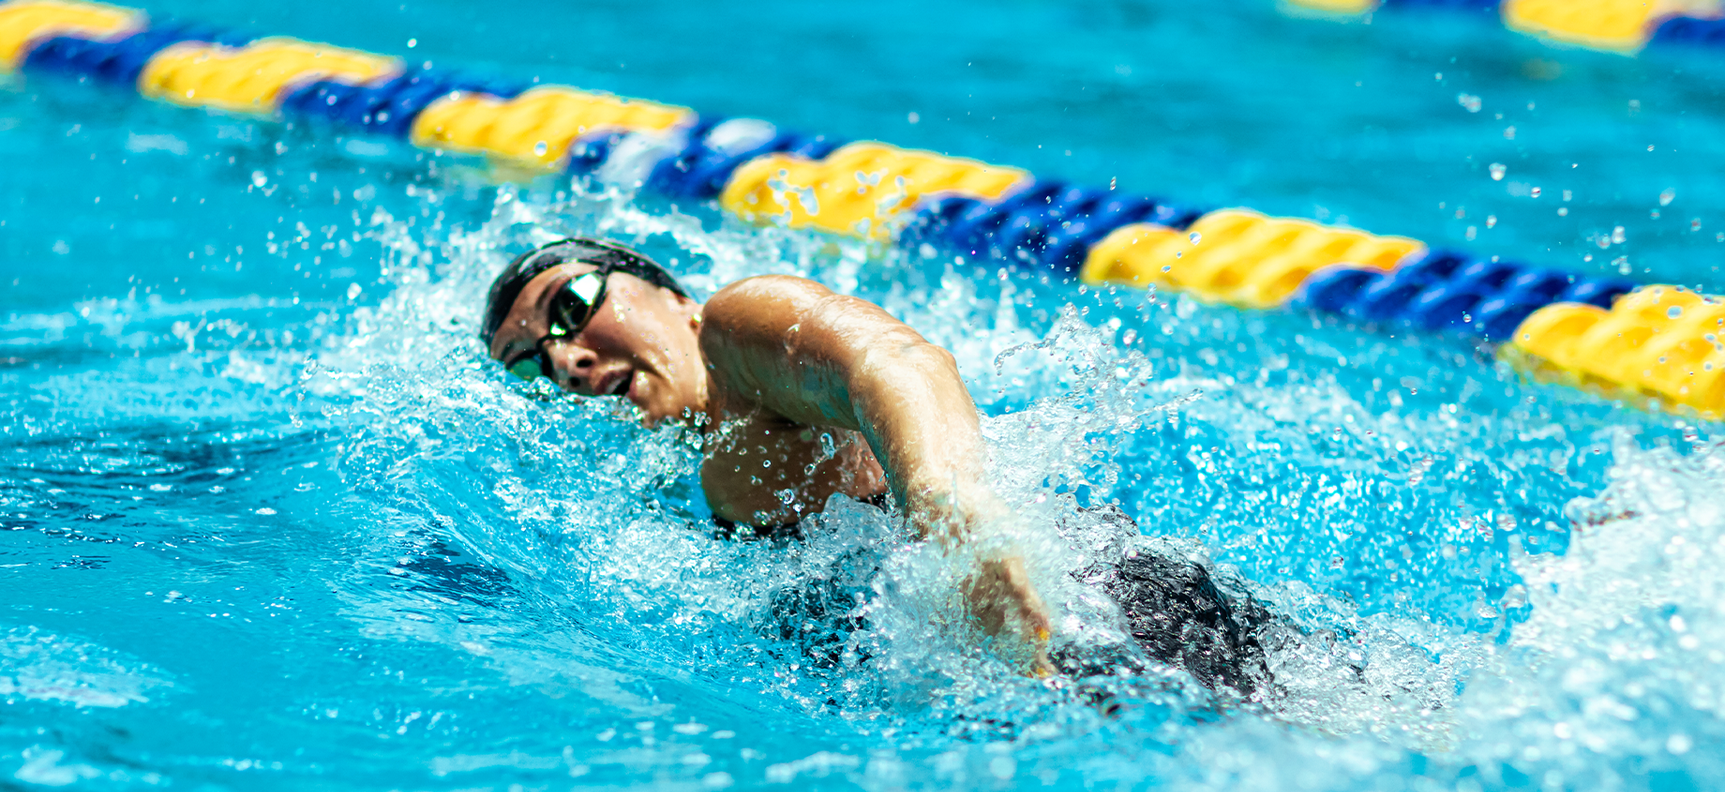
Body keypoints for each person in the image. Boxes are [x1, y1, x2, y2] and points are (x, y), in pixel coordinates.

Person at [481, 236, 1280, 693]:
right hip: (1008, 659)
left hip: (1088, 600)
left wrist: (953, 513)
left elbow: (888, 361)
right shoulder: (683, 479)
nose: (565, 360)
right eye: (529, 364)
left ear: (672, 296)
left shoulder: (731, 331)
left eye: (574, 305)